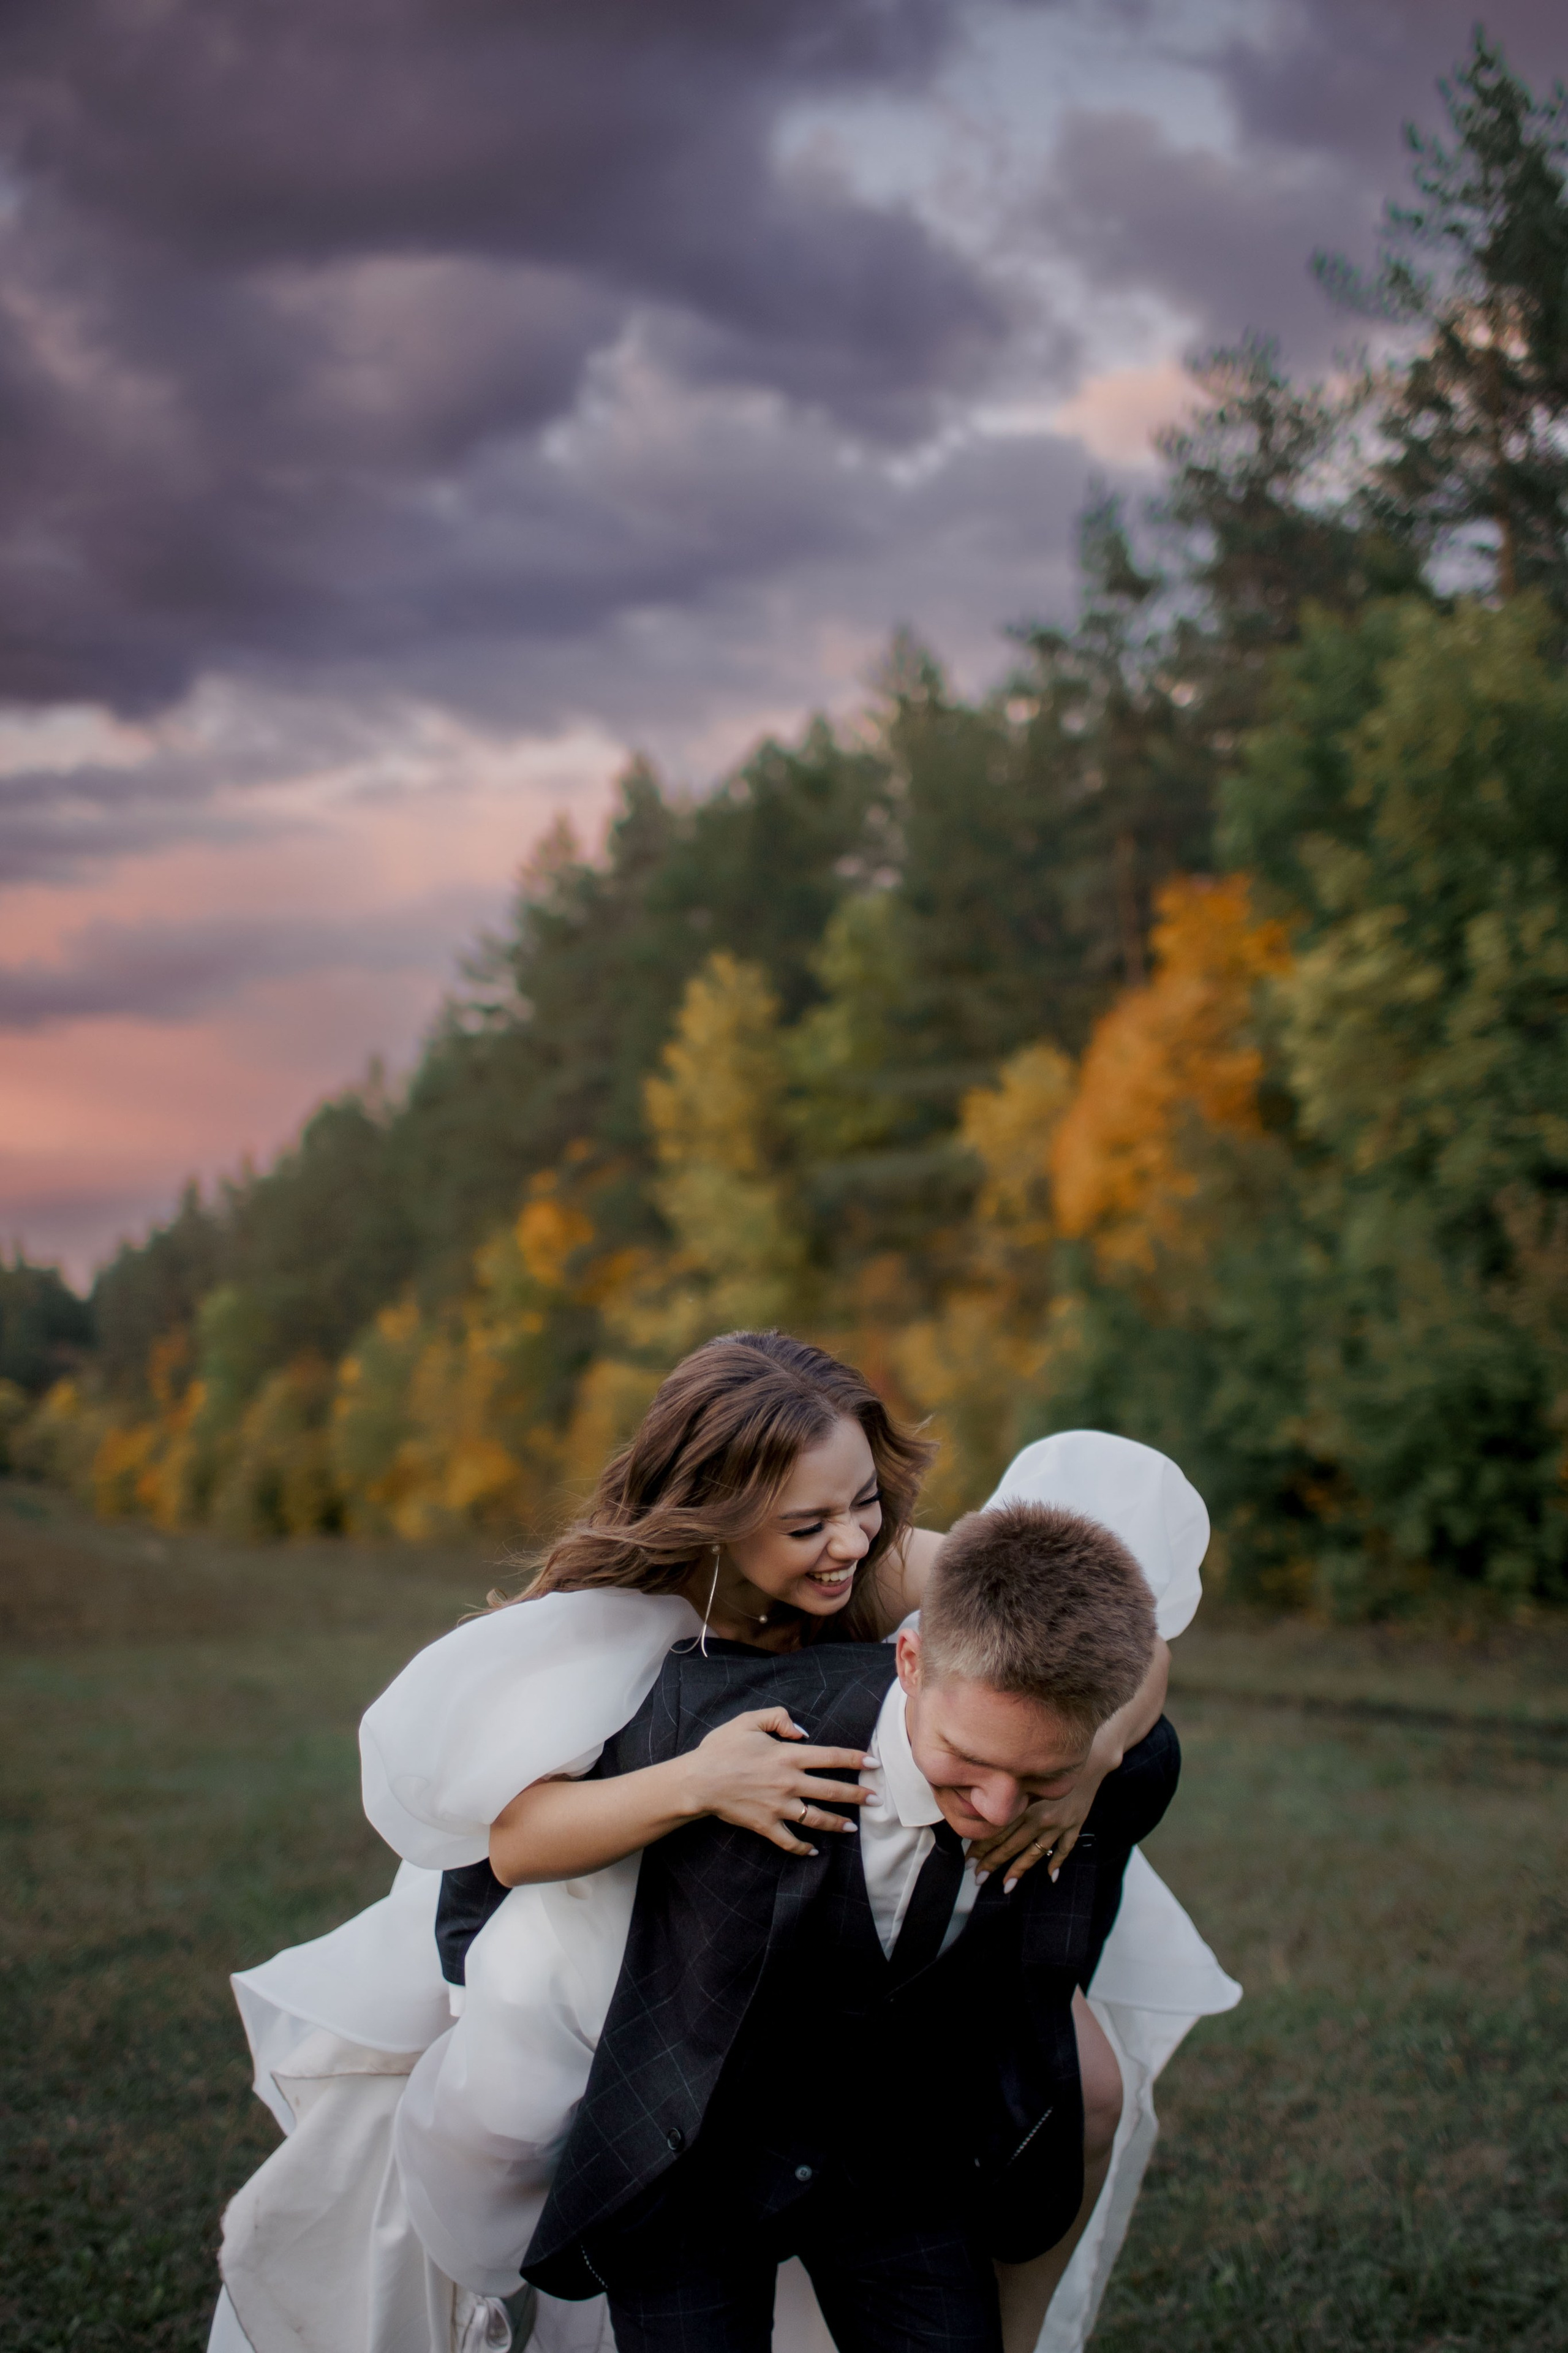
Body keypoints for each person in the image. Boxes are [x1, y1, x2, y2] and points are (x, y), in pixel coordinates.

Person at [209, 1334, 1238, 2353]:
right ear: (718, 1513)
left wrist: (1094, 1756)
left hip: (859, 1891)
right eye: (809, 1523)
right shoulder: (618, 1621)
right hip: (603, 1892)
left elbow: (1119, 1627)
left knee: (1082, 2090)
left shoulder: (870, 1566)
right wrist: (698, 1781)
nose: (851, 1539)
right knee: (537, 2125)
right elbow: (516, 1843)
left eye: (864, 1500)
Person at [509, 1500, 1175, 2353]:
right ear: (911, 1661)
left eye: (1042, 1776)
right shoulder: (717, 1720)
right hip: (696, 2162)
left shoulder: (1116, 1777)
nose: (998, 1807)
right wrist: (462, 1969)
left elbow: (1144, 1706)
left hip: (899, 2163)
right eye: (968, 1760)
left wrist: (1093, 1766)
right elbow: (505, 1821)